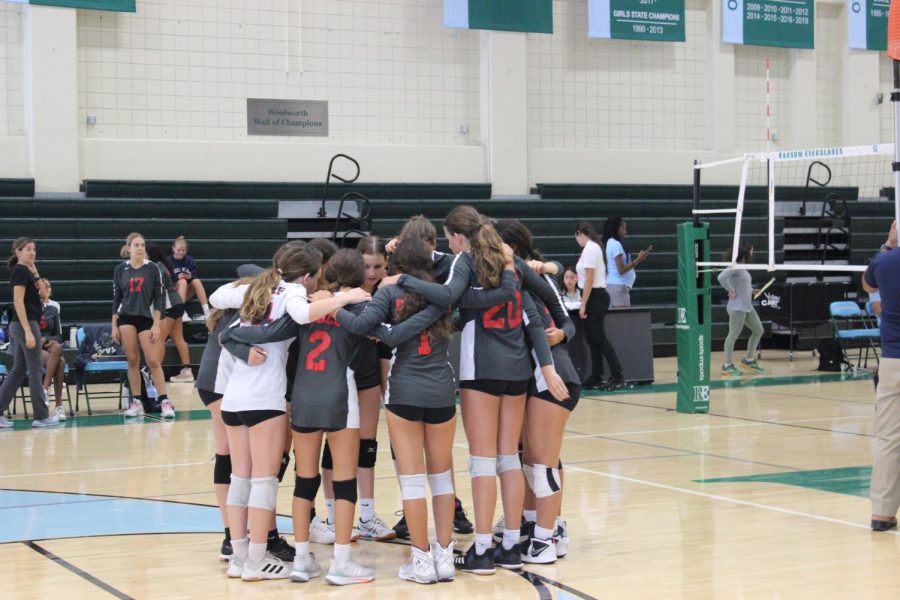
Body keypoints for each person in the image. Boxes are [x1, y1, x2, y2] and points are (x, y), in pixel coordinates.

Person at [385, 206, 568, 575]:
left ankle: (483, 548)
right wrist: (561, 325)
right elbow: (545, 299)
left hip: (480, 367)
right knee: (509, 459)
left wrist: (403, 278)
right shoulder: (508, 261)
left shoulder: (464, 264)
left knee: (482, 461)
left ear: (456, 237)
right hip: (517, 369)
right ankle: (513, 544)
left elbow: (448, 292)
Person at [211, 246, 371, 583]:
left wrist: (235, 339)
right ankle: (259, 560)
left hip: (239, 397)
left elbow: (217, 301)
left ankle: (243, 557)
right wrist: (347, 298)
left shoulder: (258, 287)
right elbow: (299, 318)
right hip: (277, 398)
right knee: (268, 482)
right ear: (310, 275)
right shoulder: (299, 296)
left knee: (248, 479)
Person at [336, 238, 458, 584]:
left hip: (404, 389)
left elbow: (360, 324)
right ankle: (444, 557)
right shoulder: (443, 293)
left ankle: (421, 560)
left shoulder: (388, 294)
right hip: (440, 391)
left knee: (412, 480)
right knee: (442, 476)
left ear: (396, 266)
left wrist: (334, 308)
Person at [113, 233, 174, 419]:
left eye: (142, 245)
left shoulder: (153, 268)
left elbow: (159, 298)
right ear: (129, 247)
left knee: (153, 360)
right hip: (126, 318)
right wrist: (114, 325)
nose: (140, 248)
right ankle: (137, 401)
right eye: (136, 245)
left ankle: (164, 400)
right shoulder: (120, 269)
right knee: (132, 360)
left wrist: (157, 324)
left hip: (146, 319)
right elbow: (116, 299)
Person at [0, 238, 59, 428]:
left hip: (24, 324)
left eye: (34, 249)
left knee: (18, 371)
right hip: (25, 323)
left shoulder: (28, 272)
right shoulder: (19, 271)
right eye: (28, 249)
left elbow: (44, 295)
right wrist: (28, 331)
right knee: (35, 370)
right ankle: (41, 417)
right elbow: (18, 302)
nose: (32, 252)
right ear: (18, 252)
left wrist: (35, 272)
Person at [865, 220, 900, 532]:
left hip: (892, 362)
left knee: (889, 439)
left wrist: (889, 245)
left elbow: (868, 284)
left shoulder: (885, 261)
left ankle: (882, 513)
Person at [575, 221, 624, 390]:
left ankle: (617, 375)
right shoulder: (593, 247)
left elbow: (589, 278)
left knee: (599, 337)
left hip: (595, 296)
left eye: (577, 237)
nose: (578, 241)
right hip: (593, 295)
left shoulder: (590, 248)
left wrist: (583, 304)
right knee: (592, 338)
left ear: (580, 234)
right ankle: (596, 375)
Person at [717, 239, 764, 377]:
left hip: (747, 306)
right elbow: (721, 277)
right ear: (746, 251)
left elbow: (741, 285)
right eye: (752, 250)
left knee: (758, 330)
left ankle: (748, 360)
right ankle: (727, 365)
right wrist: (730, 290)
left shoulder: (742, 267)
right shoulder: (736, 266)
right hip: (737, 308)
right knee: (733, 335)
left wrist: (750, 290)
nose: (753, 252)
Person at [146, 246, 193, 383]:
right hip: (177, 303)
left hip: (169, 306)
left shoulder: (156, 268)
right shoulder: (163, 266)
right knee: (178, 338)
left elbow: (157, 292)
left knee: (160, 339)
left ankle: (154, 372)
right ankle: (187, 370)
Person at [603, 217, 651, 308]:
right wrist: (638, 260)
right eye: (623, 229)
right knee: (623, 318)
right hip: (618, 288)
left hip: (614, 286)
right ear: (616, 229)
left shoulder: (610, 242)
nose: (625, 232)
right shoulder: (615, 245)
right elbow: (621, 269)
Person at [38, 278, 67, 420]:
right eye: (41, 288)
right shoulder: (30, 308)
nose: (44, 291)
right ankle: (58, 405)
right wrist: (41, 341)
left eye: (46, 287)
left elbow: (59, 336)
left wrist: (48, 340)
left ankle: (45, 388)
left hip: (50, 345)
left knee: (58, 348)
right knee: (60, 362)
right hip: (34, 346)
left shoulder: (53, 309)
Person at [169, 236, 210, 322]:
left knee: (196, 281)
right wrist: (177, 278)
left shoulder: (189, 260)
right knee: (183, 282)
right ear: (173, 248)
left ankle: (207, 312)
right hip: (173, 295)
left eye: (183, 250)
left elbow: (193, 276)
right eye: (178, 250)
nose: (181, 253)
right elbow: (166, 281)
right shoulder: (168, 261)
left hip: (186, 292)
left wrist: (190, 277)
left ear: (186, 250)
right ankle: (181, 312)